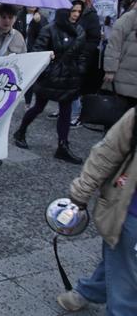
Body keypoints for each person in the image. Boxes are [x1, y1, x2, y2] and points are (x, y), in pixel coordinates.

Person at [55, 108, 137, 314]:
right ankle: (86, 294)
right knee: (123, 267)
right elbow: (108, 153)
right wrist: (81, 192)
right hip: (130, 213)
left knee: (123, 268)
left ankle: (85, 294)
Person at [13, 1, 88, 164]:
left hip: (69, 77)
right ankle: (21, 131)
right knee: (39, 107)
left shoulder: (80, 29)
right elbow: (38, 51)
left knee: (66, 109)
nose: (75, 14)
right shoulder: (50, 29)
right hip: (51, 77)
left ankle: (63, 145)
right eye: (72, 11)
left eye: (78, 11)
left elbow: (82, 52)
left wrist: (79, 69)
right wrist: (49, 70)